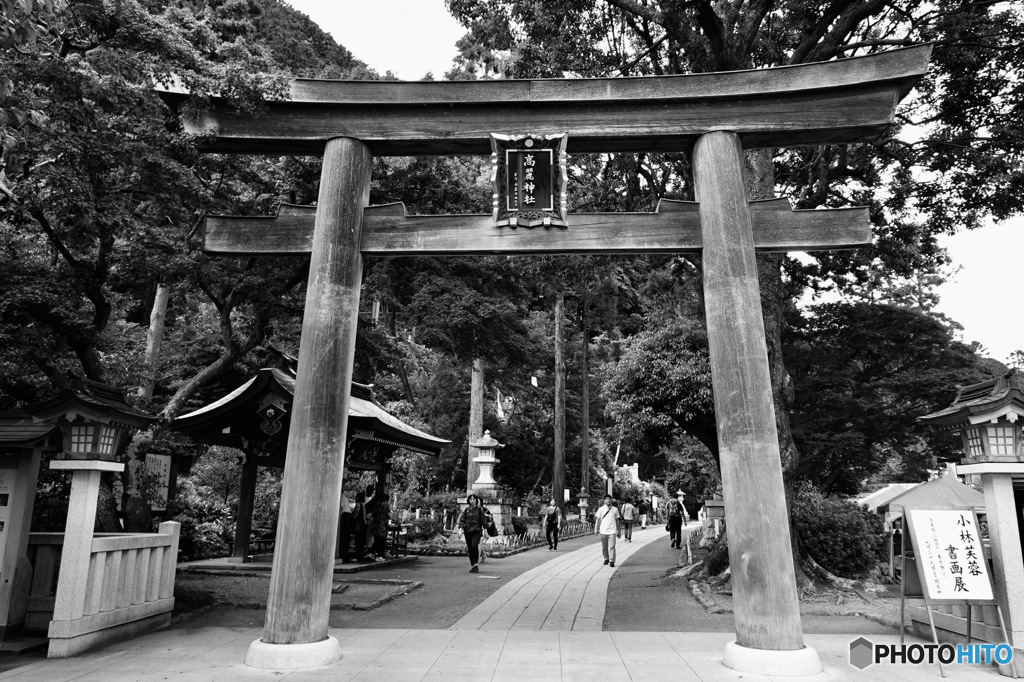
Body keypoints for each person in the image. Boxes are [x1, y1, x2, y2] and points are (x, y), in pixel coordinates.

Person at [458, 493, 493, 573]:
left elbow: (484, 522)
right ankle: (473, 565)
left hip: (476, 531)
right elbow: (462, 520)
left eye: (474, 499)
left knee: (474, 546)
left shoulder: (480, 510)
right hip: (468, 531)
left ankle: (476, 564)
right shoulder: (466, 510)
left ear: (476, 500)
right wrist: (460, 530)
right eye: (471, 499)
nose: (472, 501)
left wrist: (485, 532)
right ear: (469, 501)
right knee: (470, 548)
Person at [593, 494, 621, 567]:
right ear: (604, 500)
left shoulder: (615, 509)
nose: (608, 500)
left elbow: (617, 521)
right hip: (603, 530)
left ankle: (612, 560)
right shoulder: (601, 509)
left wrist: (619, 531)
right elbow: (598, 520)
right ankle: (606, 558)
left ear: (611, 500)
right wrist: (596, 529)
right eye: (606, 499)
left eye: (609, 499)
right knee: (604, 546)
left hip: (612, 530)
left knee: (612, 546)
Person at [338, 490, 353, 563]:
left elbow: (340, 508)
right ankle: (344, 554)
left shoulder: (341, 497)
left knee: (343, 536)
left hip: (345, 515)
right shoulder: (345, 498)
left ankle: (342, 554)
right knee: (346, 536)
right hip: (348, 515)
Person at [352, 492, 368, 561]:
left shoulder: (358, 504)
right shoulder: (363, 505)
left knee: (358, 540)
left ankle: (357, 555)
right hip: (363, 524)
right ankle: (360, 555)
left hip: (359, 524)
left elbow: (356, 514)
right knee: (361, 541)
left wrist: (352, 519)